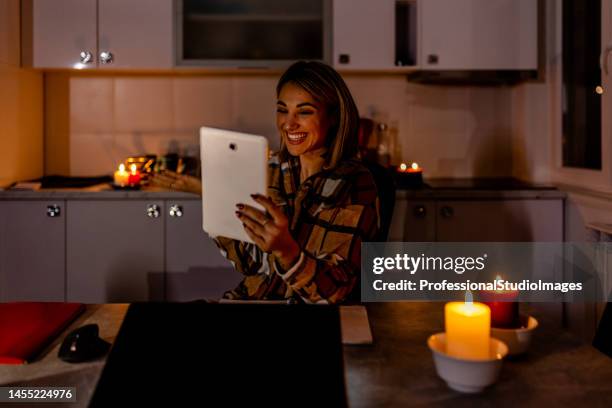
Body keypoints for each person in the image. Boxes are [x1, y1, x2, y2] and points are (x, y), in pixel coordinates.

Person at [153, 61, 379, 304]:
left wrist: (286, 251)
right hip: (254, 301)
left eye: (304, 111)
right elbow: (249, 264)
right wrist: (216, 197)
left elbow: (335, 291)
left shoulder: (355, 183)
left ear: (333, 117)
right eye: (282, 110)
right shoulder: (272, 169)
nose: (288, 123)